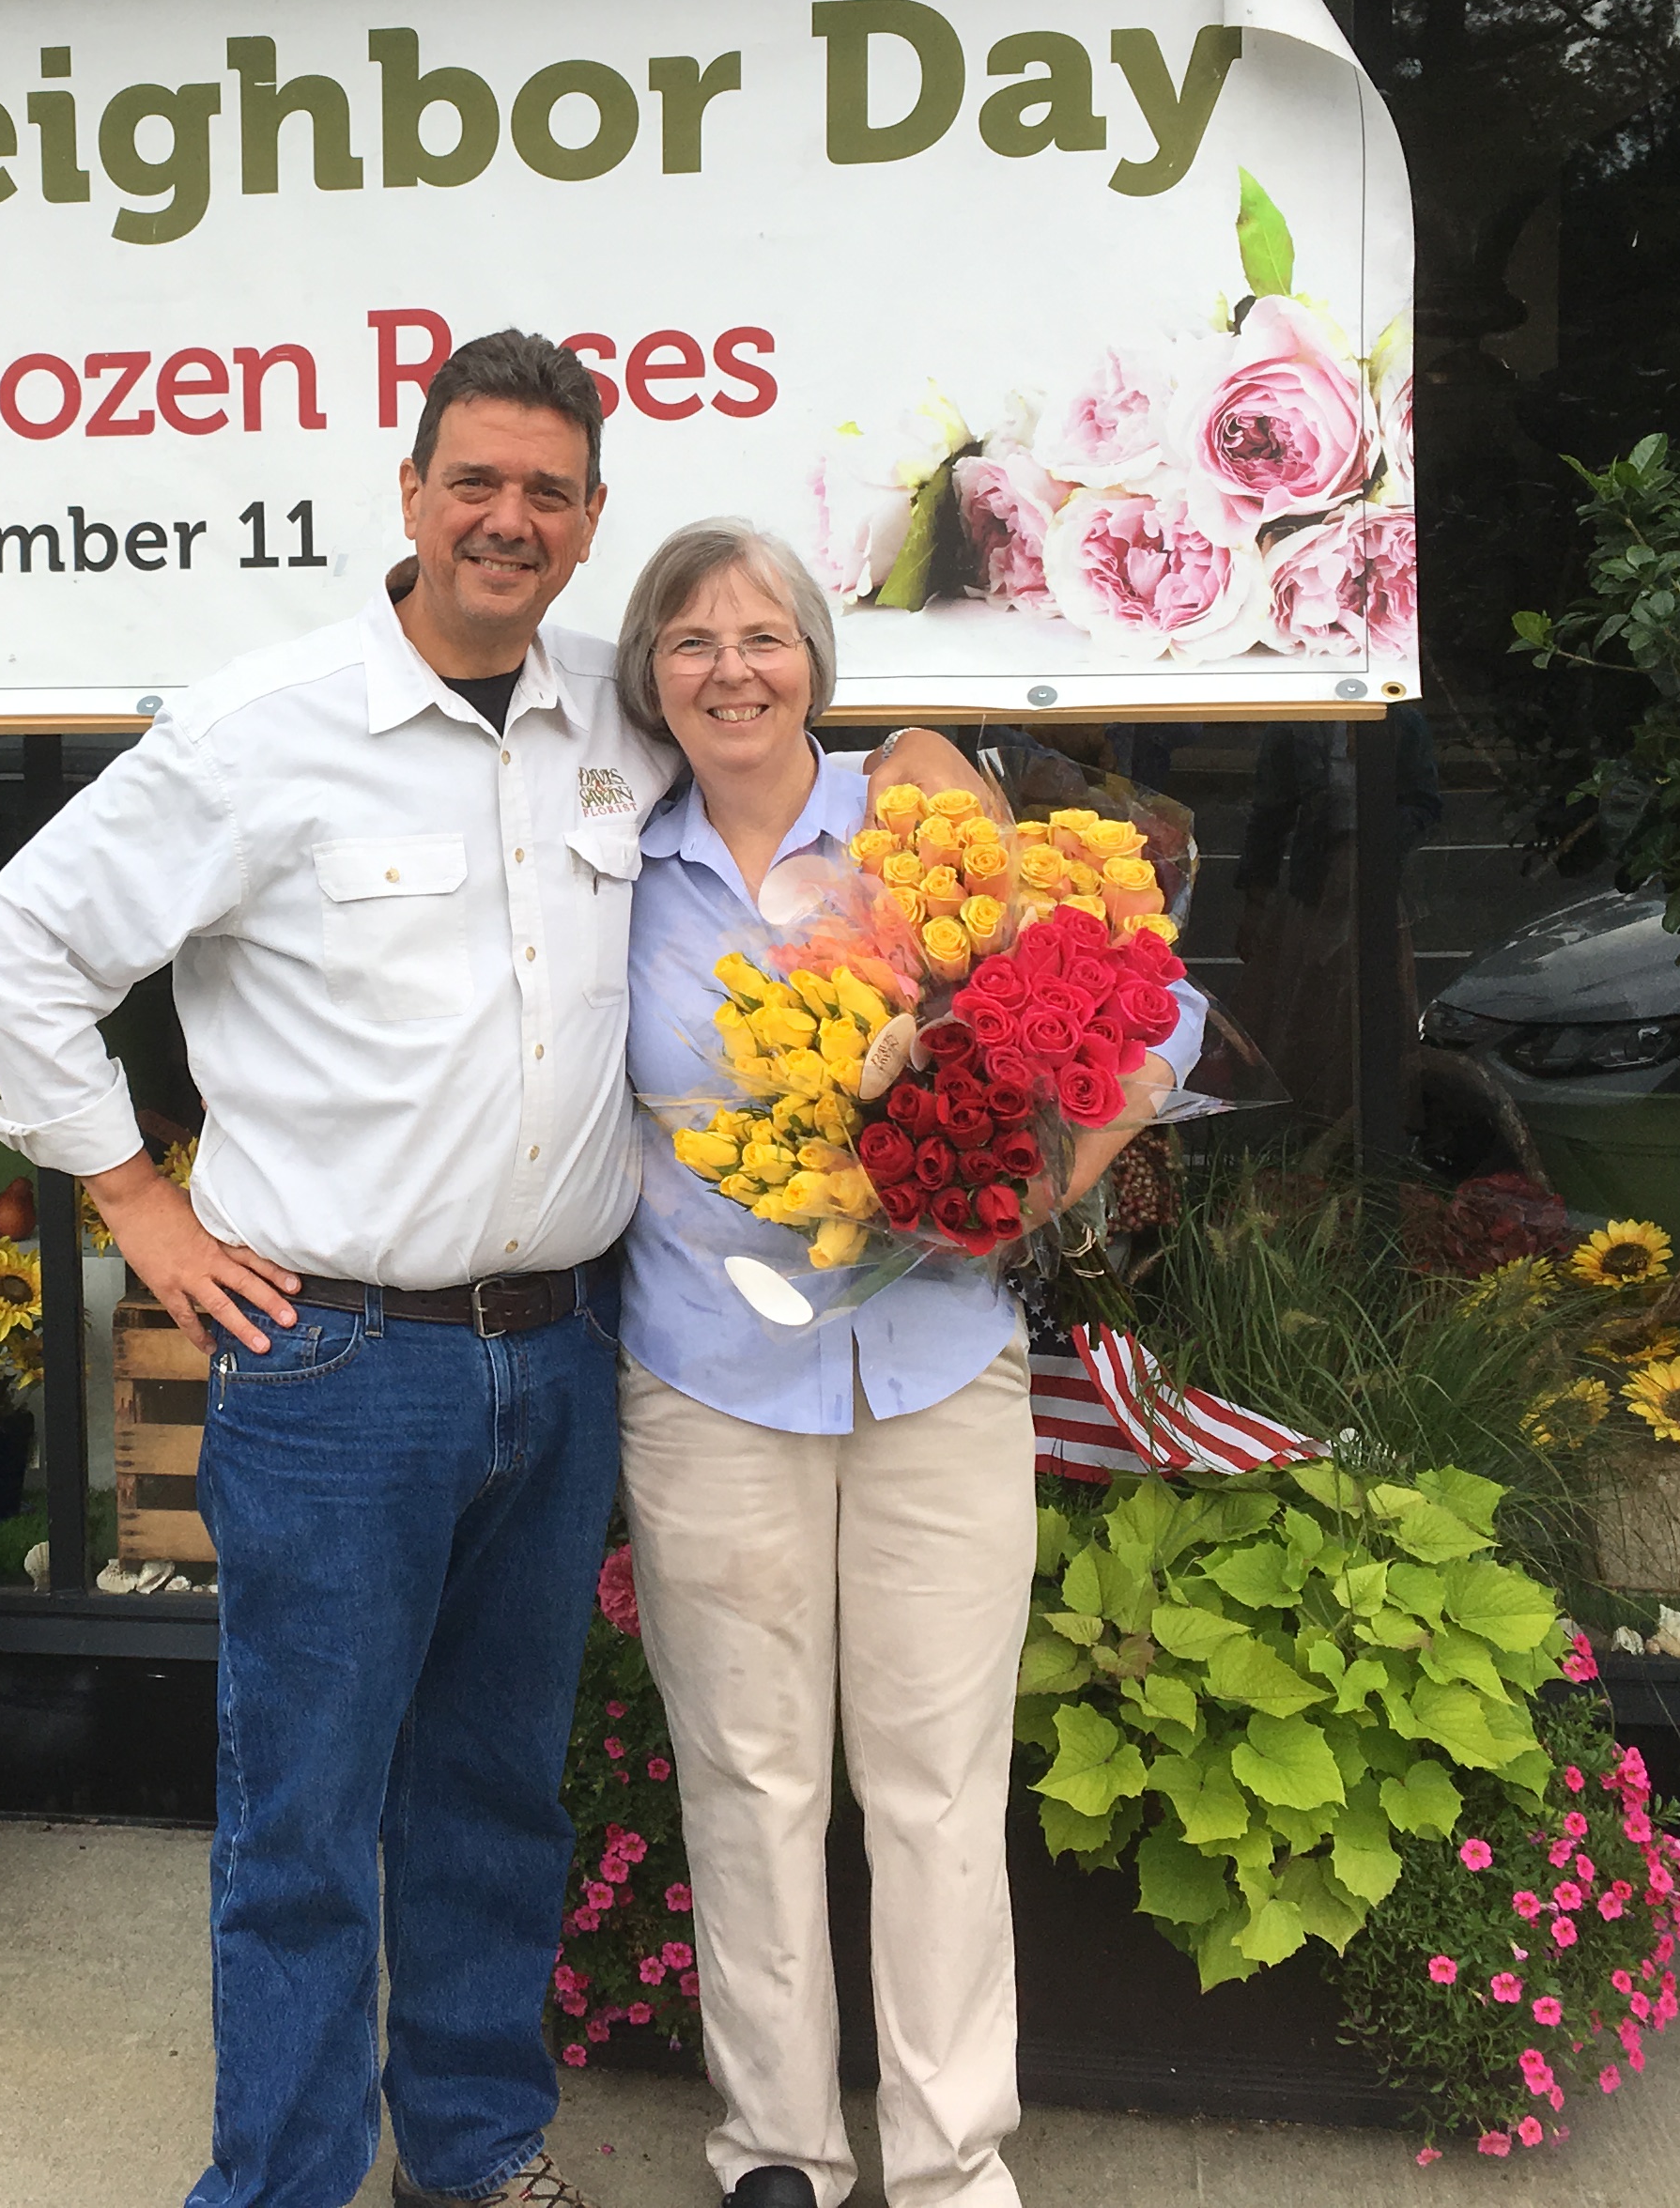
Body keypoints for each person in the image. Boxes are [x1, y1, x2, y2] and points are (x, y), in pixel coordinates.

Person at [0, 329, 657, 2208]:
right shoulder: (261, 731)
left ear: (593, 526)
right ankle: (276, 2187)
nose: (507, 518)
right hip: (345, 1371)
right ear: (410, 492)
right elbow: (17, 945)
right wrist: (135, 1204)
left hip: (559, 1353)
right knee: (304, 1832)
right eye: (477, 481)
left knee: (498, 1797)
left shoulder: (618, 715)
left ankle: (481, 2149)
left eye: (549, 491)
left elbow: (810, 738)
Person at [609, 517, 1205, 2208]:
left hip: (938, 1368)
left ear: (817, 657)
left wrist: (1025, 1190)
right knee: (748, 1779)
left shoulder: (919, 819)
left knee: (938, 1780)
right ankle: (775, 2151)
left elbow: (1146, 1011)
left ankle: (952, 2166)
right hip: (709, 1378)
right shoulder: (613, 868)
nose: (732, 669)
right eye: (691, 642)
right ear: (653, 681)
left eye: (763, 636)